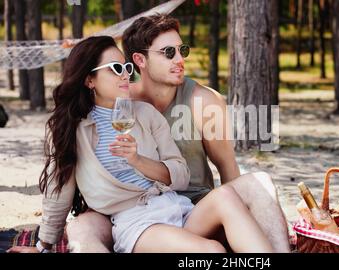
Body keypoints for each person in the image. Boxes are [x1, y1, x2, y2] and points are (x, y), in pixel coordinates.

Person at [7, 36, 273, 253]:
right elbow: (58, 192)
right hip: (136, 222)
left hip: (176, 207)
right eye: (115, 69)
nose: (125, 75)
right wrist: (43, 245)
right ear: (89, 80)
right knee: (212, 251)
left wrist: (139, 161)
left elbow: (181, 176)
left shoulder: (145, 114)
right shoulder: (72, 131)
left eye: (126, 68)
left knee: (226, 196)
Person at [61, 14, 290, 253]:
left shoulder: (204, 102)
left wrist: (239, 217)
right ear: (140, 59)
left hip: (193, 206)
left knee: (259, 182)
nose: (180, 60)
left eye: (183, 50)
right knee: (82, 227)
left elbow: (227, 169)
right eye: (169, 52)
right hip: (130, 212)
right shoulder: (121, 101)